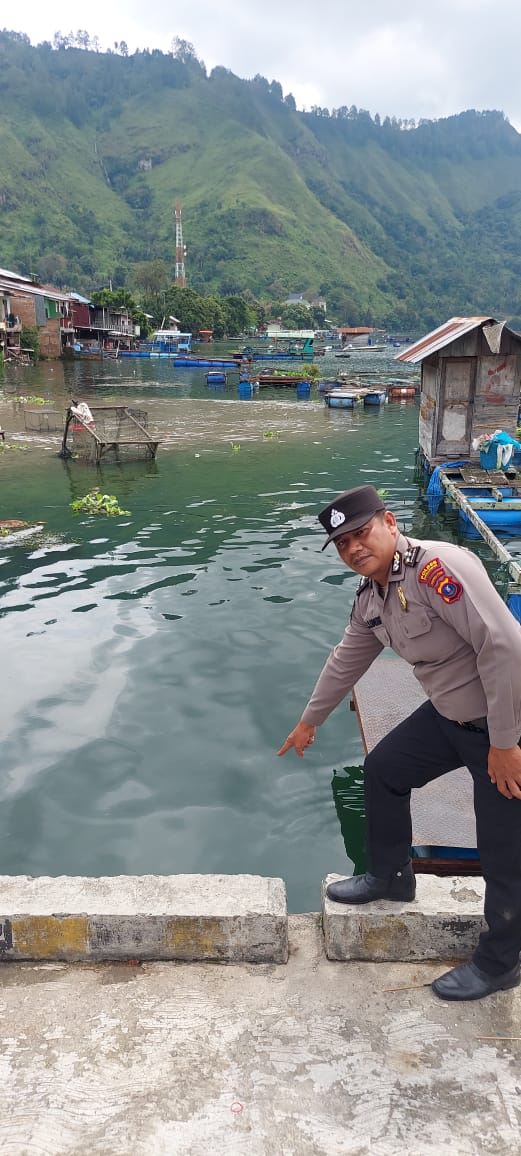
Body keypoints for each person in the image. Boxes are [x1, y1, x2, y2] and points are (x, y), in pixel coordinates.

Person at [278, 484, 521, 1001]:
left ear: (390, 523)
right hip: (449, 719)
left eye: (360, 533)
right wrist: (309, 721)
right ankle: (391, 876)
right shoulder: (372, 596)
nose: (353, 548)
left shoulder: (438, 568)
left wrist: (505, 742)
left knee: (504, 850)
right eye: (342, 544)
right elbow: (346, 658)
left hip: (504, 727)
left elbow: (504, 646)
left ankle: (501, 962)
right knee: (385, 770)